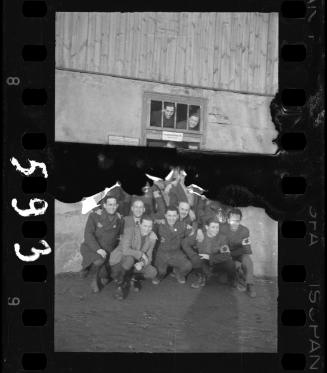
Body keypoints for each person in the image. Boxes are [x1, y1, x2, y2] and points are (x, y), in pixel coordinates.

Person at [79, 195, 123, 293]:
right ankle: (91, 275)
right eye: (110, 204)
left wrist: (117, 253)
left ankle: (94, 270)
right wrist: (98, 249)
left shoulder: (120, 219)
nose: (112, 207)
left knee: (106, 277)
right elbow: (88, 234)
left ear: (117, 206)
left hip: (109, 250)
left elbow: (120, 236)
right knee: (99, 260)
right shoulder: (95, 216)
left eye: (114, 205)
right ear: (105, 205)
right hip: (92, 247)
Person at [109, 216, 158, 300]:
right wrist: (141, 254)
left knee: (152, 272)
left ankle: (130, 278)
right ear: (139, 224)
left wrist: (142, 263)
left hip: (134, 264)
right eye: (145, 226)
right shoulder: (130, 231)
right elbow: (125, 250)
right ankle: (119, 287)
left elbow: (149, 257)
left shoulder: (152, 238)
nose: (147, 229)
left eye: (150, 226)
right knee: (130, 259)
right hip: (120, 261)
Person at [182, 217, 236, 289]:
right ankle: (201, 277)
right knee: (196, 259)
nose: (216, 230)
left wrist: (210, 257)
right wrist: (193, 255)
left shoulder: (223, 238)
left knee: (230, 264)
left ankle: (232, 280)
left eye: (217, 227)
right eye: (213, 227)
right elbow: (184, 243)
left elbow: (226, 255)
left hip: (216, 261)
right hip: (204, 263)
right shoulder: (200, 235)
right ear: (207, 227)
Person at [220, 208, 256, 298]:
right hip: (227, 254)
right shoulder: (223, 229)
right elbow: (223, 248)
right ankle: (236, 274)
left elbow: (247, 250)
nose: (235, 223)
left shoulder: (245, 230)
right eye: (232, 221)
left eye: (238, 221)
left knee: (248, 261)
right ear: (228, 220)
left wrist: (246, 246)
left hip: (240, 252)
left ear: (240, 220)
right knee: (222, 280)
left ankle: (249, 285)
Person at [152, 206, 193, 285]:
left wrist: (195, 229)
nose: (172, 218)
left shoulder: (182, 225)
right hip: (162, 254)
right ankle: (161, 275)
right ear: (165, 215)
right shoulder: (159, 224)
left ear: (178, 216)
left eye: (174, 215)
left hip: (176, 253)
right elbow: (148, 226)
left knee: (188, 266)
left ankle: (178, 273)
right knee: (160, 272)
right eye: (169, 215)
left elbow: (193, 233)